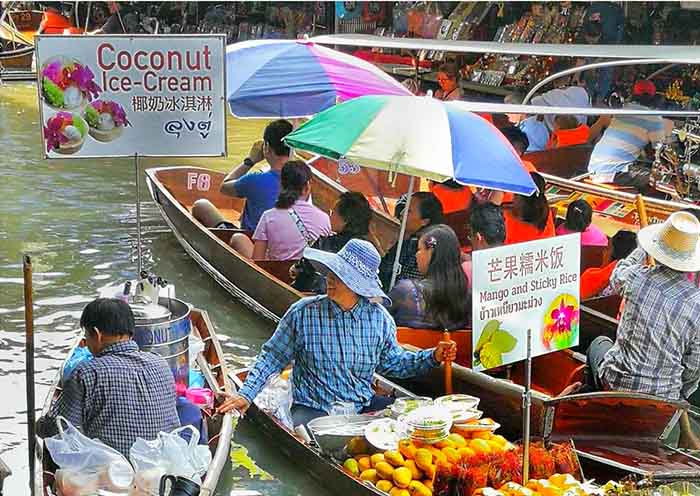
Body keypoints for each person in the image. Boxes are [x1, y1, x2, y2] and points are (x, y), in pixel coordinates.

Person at [216, 239, 457, 426]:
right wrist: (246, 395)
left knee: (411, 418)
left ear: (357, 286)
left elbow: (394, 364)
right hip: (312, 407)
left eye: (339, 277)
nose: (330, 280)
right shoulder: (303, 313)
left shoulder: (380, 320)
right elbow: (272, 358)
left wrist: (433, 357)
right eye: (331, 273)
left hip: (361, 406)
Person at [36, 298, 180, 458]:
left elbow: (58, 428)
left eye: (86, 336)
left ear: (97, 335)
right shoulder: (160, 363)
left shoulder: (86, 372)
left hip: (111, 473)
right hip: (164, 464)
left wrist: (39, 426)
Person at [587, 211, 700, 404]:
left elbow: (617, 275)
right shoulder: (696, 304)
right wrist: (678, 392)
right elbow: (693, 367)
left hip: (617, 382)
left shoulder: (636, 277)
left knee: (598, 344)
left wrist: (644, 250)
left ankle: (594, 406)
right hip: (665, 397)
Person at [192, 119, 293, 233]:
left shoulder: (255, 180)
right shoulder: (301, 178)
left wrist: (250, 161)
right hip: (284, 240)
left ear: (267, 147)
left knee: (201, 205)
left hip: (251, 242)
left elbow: (224, 187)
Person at [231, 160, 331, 260]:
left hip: (278, 273)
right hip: (308, 273)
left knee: (238, 239)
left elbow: (257, 261)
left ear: (282, 186)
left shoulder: (268, 216)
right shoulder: (324, 218)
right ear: (307, 187)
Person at [587, 80, 666, 193]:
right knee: (661, 178)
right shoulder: (654, 118)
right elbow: (660, 151)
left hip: (594, 166)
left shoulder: (623, 110)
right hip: (613, 172)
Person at [388, 224, 471, 330]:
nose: (416, 255)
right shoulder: (467, 298)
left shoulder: (406, 291)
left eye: (419, 249)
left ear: (431, 252)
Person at [291, 191, 373, 293]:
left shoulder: (324, 245)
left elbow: (300, 271)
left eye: (333, 212)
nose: (330, 216)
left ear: (345, 220)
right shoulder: (369, 252)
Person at [379, 192, 444, 289]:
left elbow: (403, 285)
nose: (401, 213)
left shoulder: (426, 249)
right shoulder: (402, 238)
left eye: (409, 211)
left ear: (424, 221)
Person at [580, 230, 636, 300]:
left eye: (607, 248)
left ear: (613, 254)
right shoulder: (634, 282)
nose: (603, 251)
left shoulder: (590, 277)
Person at [462, 202, 507, 287]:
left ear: (478, 237)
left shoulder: (467, 270)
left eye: (470, 235)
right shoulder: (515, 260)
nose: (469, 239)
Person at [504, 172, 555, 245]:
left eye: (515, 194)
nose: (513, 198)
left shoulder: (508, 222)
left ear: (522, 201)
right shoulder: (544, 212)